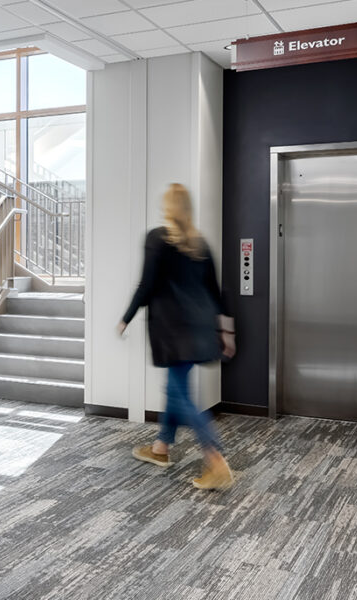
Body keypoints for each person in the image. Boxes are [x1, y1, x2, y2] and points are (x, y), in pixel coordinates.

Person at [119, 183, 236, 491]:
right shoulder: (200, 245)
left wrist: (125, 318)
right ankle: (160, 448)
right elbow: (216, 291)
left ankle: (215, 457)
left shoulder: (158, 239)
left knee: (180, 395)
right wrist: (228, 332)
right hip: (200, 330)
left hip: (172, 331)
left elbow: (145, 286)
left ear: (167, 208)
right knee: (176, 389)